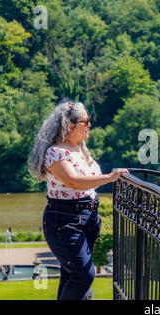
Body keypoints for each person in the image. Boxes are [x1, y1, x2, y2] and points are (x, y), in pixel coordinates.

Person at [28, 100, 128, 300]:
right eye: (85, 121)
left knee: (72, 274)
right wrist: (110, 177)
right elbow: (73, 182)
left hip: (88, 217)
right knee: (84, 275)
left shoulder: (81, 149)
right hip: (65, 220)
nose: (89, 125)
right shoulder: (55, 152)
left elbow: (89, 179)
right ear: (70, 125)